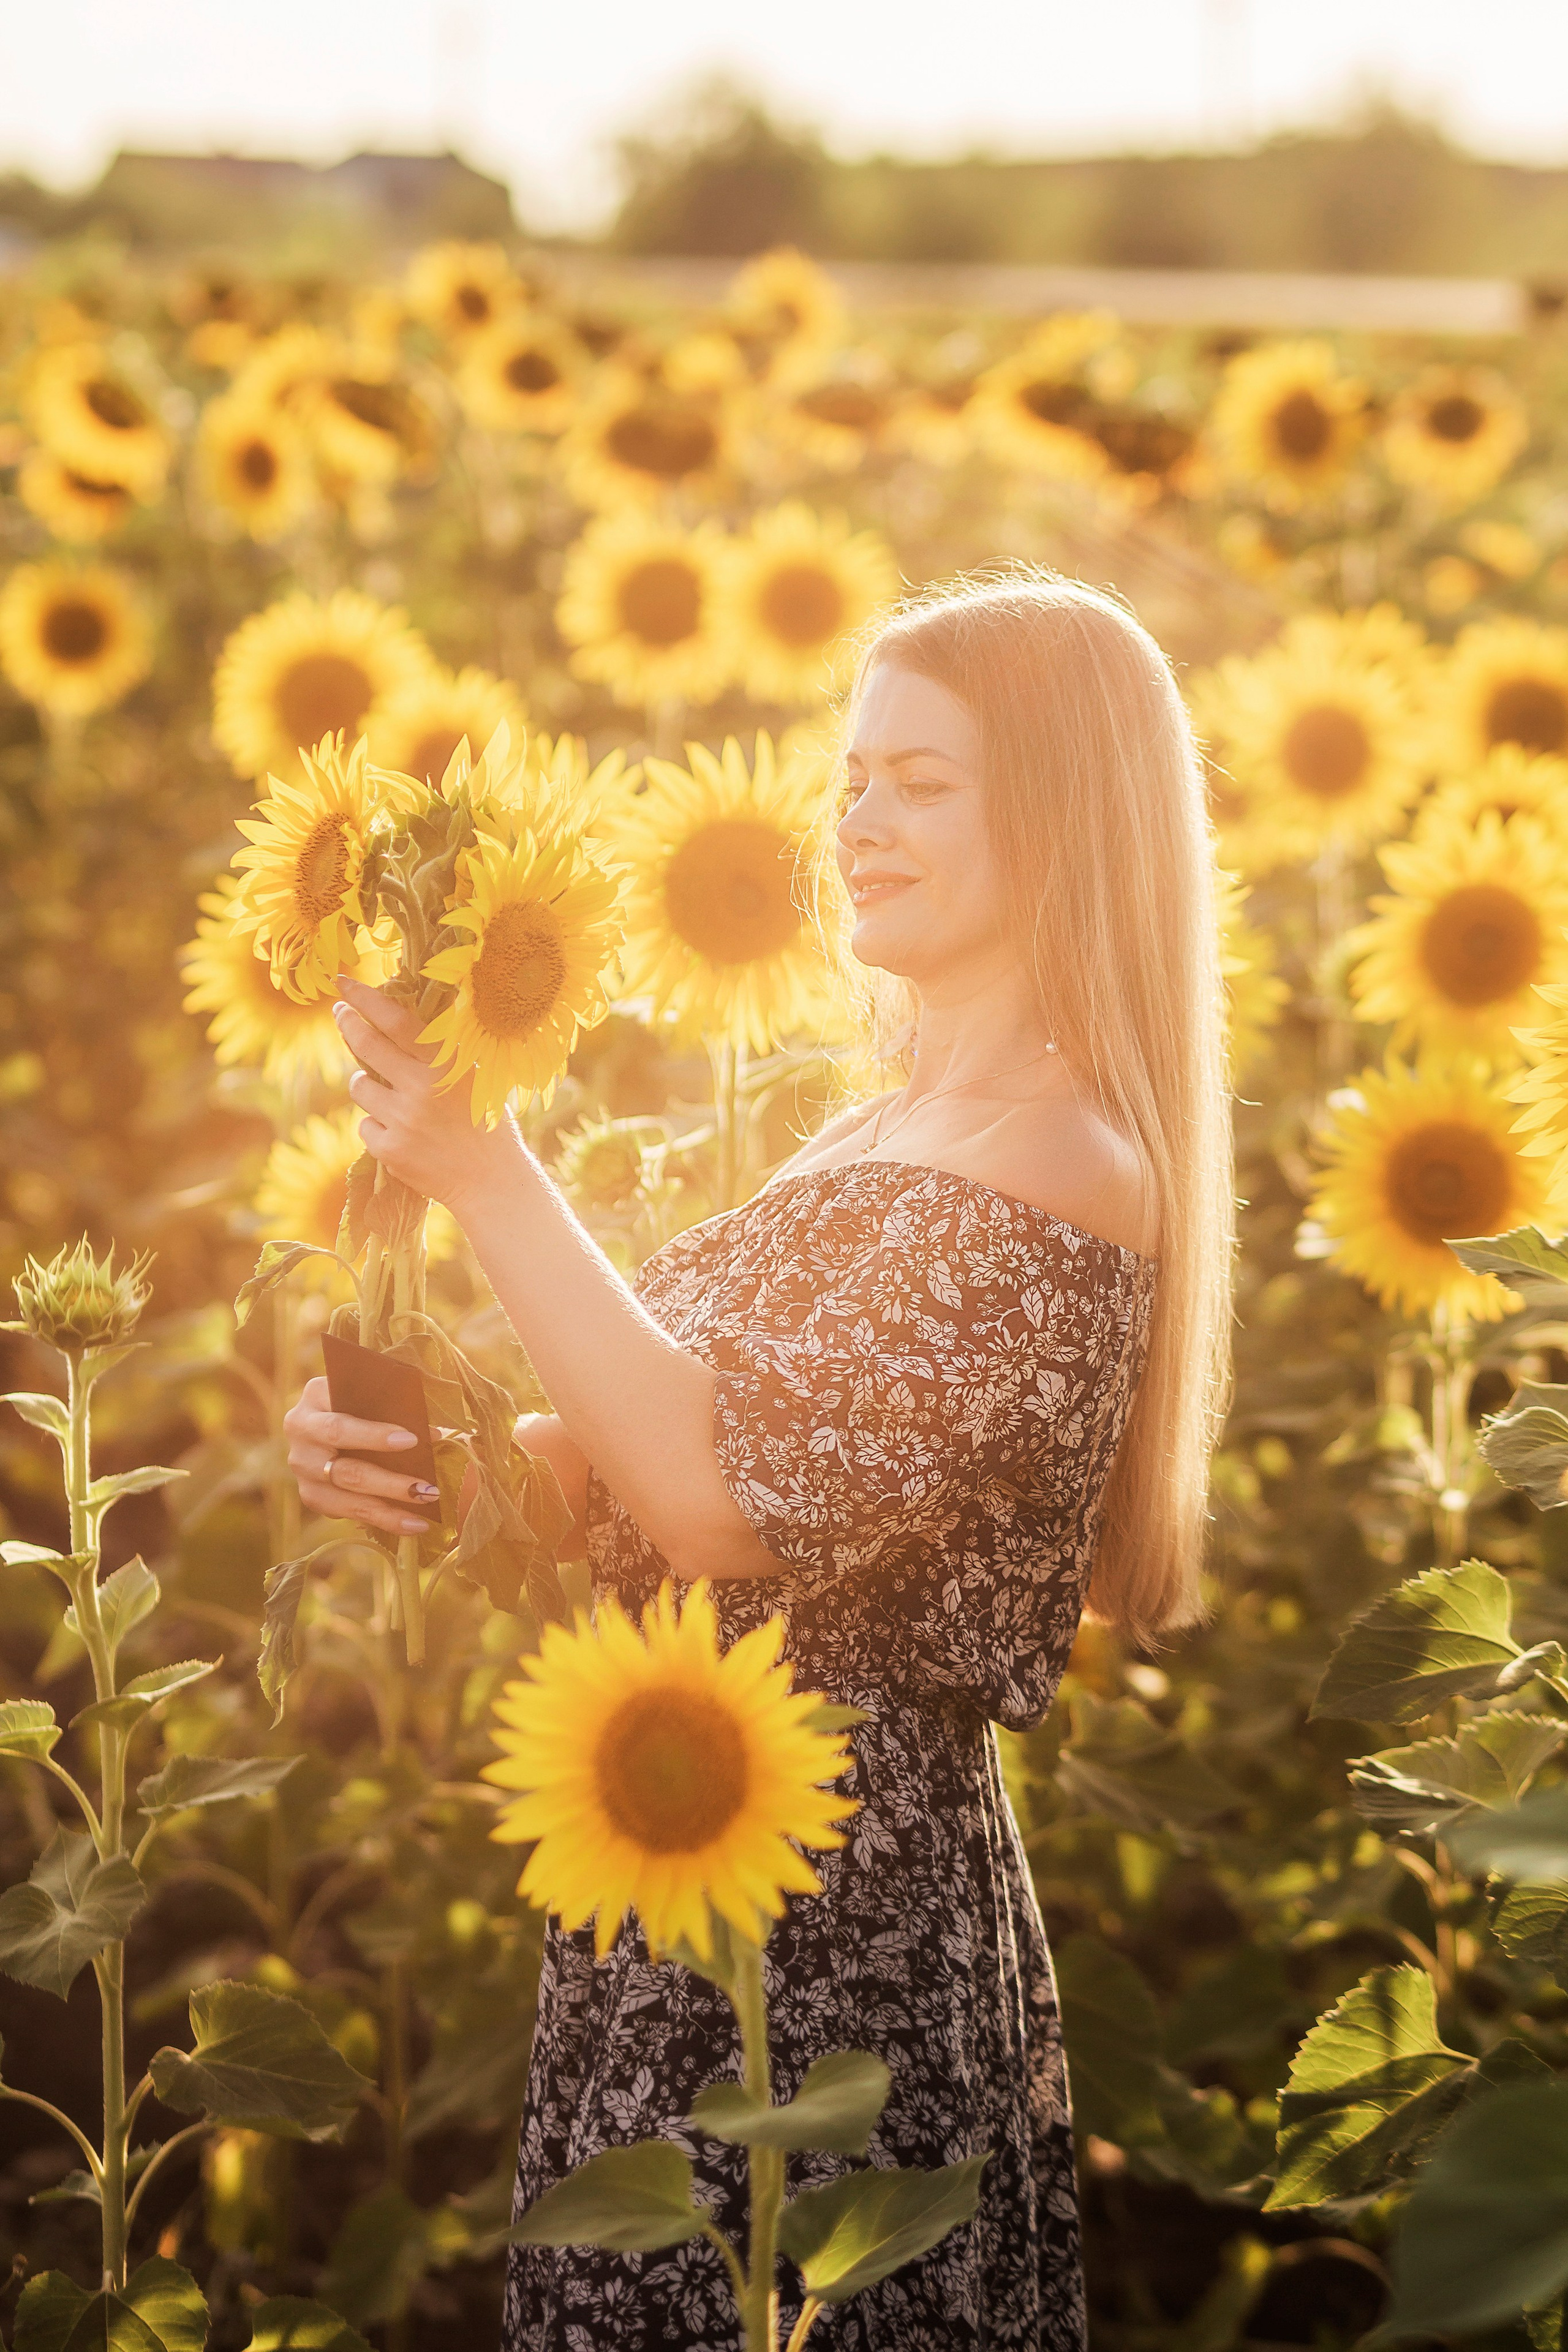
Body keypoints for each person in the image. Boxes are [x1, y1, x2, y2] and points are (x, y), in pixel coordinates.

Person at [283, 568, 1234, 2351]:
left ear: (1065, 812)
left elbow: (726, 1503)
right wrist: (426, 1467)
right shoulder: (868, 1135)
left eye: (922, 783)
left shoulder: (1070, 1164)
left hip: (840, 1938)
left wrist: (489, 1169)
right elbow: (621, 1489)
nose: (857, 820)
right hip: (679, 1895)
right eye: (855, 773)